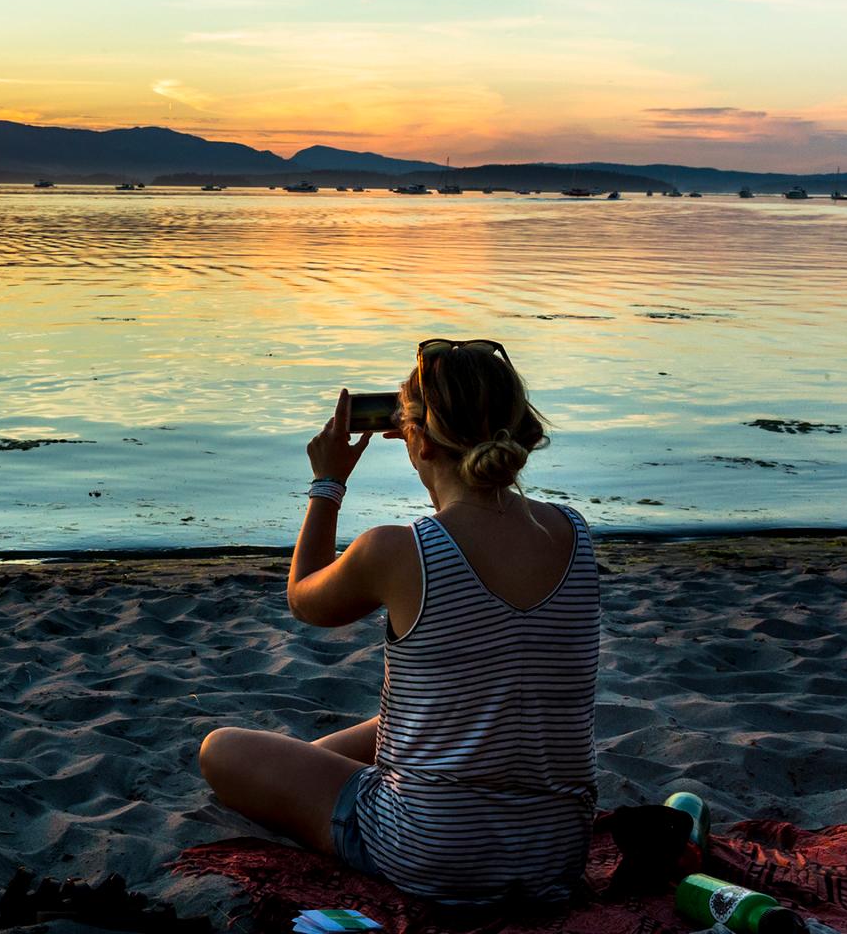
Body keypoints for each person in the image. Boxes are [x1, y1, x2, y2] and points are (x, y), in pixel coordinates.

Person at [197, 338, 600, 906]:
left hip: (429, 849)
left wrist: (328, 482)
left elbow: (303, 598)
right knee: (408, 717)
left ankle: (308, 786)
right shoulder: (574, 533)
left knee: (221, 750)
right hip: (555, 852)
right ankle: (311, 774)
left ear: (416, 438)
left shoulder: (397, 550)